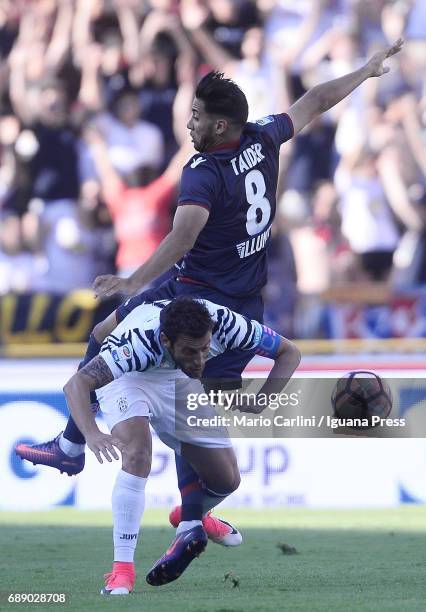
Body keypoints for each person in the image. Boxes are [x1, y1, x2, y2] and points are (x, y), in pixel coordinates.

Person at [16, 36, 404, 553]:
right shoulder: (263, 137)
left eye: (196, 116)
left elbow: (183, 236)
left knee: (147, 363)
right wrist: (366, 69)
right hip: (246, 300)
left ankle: (177, 512)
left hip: (194, 297)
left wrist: (133, 281)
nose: (189, 123)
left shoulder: (204, 170)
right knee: (179, 387)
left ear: (219, 126)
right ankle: (175, 511)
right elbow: (314, 100)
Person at [63, 296, 301, 593]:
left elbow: (290, 352)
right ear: (166, 339)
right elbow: (76, 384)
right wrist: (92, 433)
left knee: (226, 480)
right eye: (191, 351)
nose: (200, 360)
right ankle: (121, 571)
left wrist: (264, 399)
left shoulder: (227, 324)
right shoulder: (135, 345)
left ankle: (193, 515)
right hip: (128, 379)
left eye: (205, 349)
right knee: (137, 454)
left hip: (176, 377)